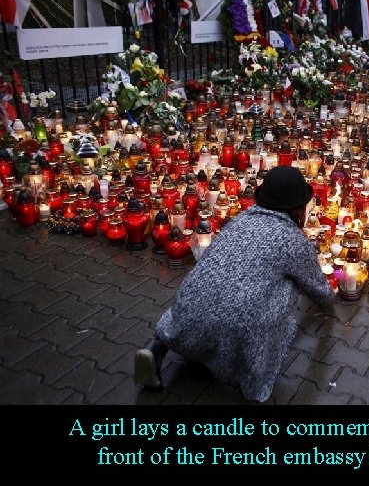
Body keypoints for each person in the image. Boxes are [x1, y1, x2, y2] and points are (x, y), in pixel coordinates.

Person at [134, 166, 336, 402]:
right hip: (237, 333)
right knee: (288, 286)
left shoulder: (240, 220)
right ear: (297, 208)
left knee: (208, 286)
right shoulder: (292, 238)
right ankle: (250, 374)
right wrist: (329, 293)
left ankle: (159, 347)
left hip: (186, 315)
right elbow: (319, 290)